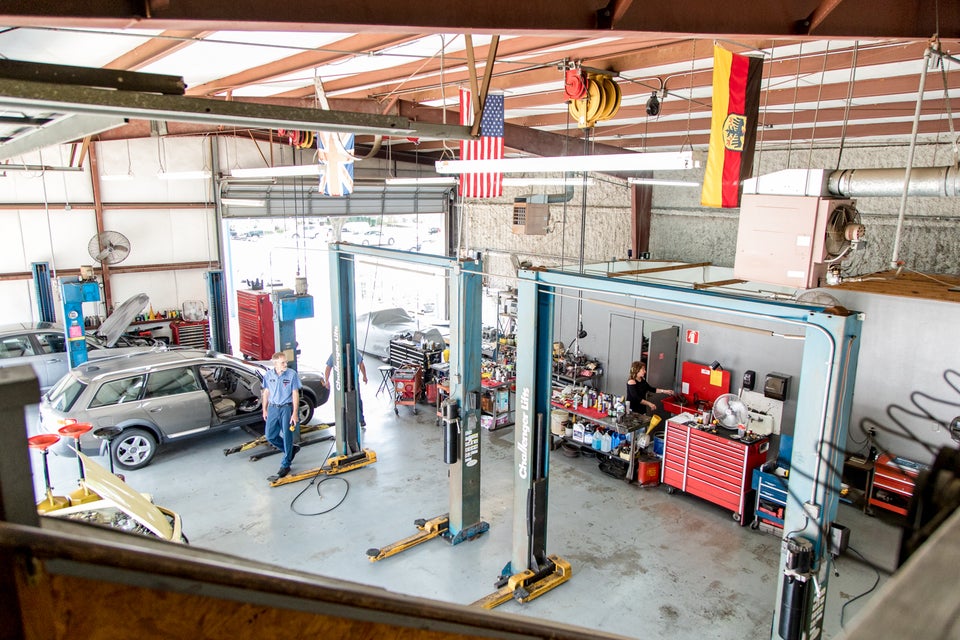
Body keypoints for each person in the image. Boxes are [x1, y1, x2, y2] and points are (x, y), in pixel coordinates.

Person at [262, 352, 302, 480]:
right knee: (270, 435)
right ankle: (291, 450)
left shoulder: (292, 374)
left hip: (286, 408)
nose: (285, 364)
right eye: (282, 362)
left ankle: (286, 464)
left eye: (286, 362)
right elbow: (266, 393)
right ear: (275, 363)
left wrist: (294, 413)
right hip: (273, 408)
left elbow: (295, 393)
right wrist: (264, 409)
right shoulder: (268, 375)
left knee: (287, 436)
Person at [325, 350, 367, 427]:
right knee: (356, 399)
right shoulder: (353, 351)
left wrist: (326, 380)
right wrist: (364, 376)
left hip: (347, 380)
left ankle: (356, 419)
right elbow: (361, 364)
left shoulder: (336, 352)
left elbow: (328, 367)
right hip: (346, 380)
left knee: (350, 399)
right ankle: (360, 420)